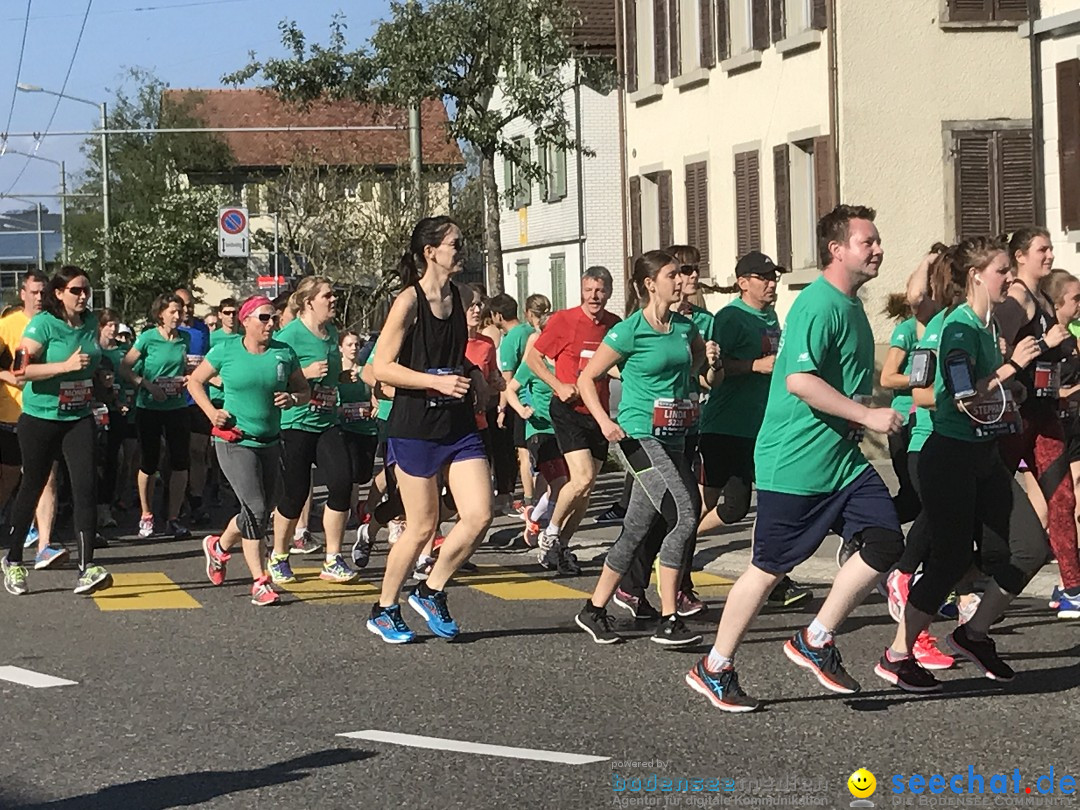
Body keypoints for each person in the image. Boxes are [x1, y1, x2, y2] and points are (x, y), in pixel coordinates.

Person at [685, 204, 904, 712]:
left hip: (841, 461)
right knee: (768, 568)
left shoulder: (850, 305)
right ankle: (714, 667)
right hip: (796, 461)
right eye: (867, 242)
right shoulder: (818, 306)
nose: (878, 249)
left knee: (885, 539)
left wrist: (865, 414)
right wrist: (868, 416)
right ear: (837, 250)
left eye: (877, 241)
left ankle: (816, 638)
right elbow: (798, 381)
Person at [878, 236, 1050, 691]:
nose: (1010, 278)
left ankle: (972, 635)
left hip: (984, 453)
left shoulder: (985, 323)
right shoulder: (957, 328)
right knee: (949, 559)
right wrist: (1011, 368)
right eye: (1001, 271)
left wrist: (1010, 396)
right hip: (948, 455)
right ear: (976, 275)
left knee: (1031, 547)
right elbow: (959, 394)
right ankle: (898, 655)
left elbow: (984, 394)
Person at [573, 250, 715, 646]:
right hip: (638, 435)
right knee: (684, 515)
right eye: (672, 274)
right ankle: (670, 618)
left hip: (677, 435)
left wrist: (709, 364)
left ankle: (594, 609)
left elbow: (700, 374)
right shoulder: (629, 330)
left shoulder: (686, 328)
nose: (679, 280)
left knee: (636, 527)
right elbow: (588, 378)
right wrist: (606, 422)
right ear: (651, 283)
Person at [368, 216, 493, 643]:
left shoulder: (459, 297)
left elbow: (453, 353)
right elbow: (378, 368)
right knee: (422, 526)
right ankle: (384, 608)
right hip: (416, 425)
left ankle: (431, 589)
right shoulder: (408, 301)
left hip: (457, 424)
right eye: (456, 244)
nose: (462, 249)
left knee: (479, 515)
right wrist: (434, 381)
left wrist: (473, 374)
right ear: (430, 252)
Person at [694, 251, 810, 609]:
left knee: (751, 505)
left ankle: (774, 577)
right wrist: (755, 365)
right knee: (710, 504)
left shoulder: (771, 316)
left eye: (774, 277)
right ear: (743, 282)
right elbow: (712, 367)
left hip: (762, 428)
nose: (772, 284)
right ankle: (674, 545)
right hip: (725, 425)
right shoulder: (730, 317)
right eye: (764, 278)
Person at [189, 295, 310, 606]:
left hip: (270, 441)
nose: (271, 324)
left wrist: (293, 399)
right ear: (246, 321)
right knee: (255, 508)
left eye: (273, 318)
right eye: (264, 318)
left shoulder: (284, 353)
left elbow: (303, 390)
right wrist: (211, 413)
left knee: (263, 506)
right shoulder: (226, 351)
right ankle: (260, 581)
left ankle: (219, 546)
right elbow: (195, 382)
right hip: (233, 440)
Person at [1, 266, 110, 596]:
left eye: (86, 290)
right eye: (75, 290)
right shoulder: (42, 325)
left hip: (77, 416)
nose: (82, 296)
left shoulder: (90, 323)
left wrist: (99, 377)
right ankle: (15, 560)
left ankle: (87, 568)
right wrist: (63, 367)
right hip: (40, 418)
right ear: (59, 293)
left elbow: (92, 360)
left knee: (85, 487)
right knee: (32, 485)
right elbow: (19, 372)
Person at [992, 227, 1080, 615]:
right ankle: (953, 575)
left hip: (1045, 415)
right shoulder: (1017, 299)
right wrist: (1043, 346)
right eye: (1042, 250)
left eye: (1049, 249)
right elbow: (997, 345)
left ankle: (1073, 588)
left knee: (1063, 499)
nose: (1049, 255)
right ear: (1021, 256)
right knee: (988, 494)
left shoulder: (1042, 297)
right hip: (1018, 414)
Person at [525, 267, 620, 573]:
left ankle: (562, 546)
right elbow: (533, 359)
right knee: (580, 479)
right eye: (590, 289)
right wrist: (558, 385)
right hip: (567, 409)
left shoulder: (614, 325)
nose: (595, 296)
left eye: (601, 290)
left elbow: (618, 364)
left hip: (598, 412)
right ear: (582, 290)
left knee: (588, 487)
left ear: (609, 291)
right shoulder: (564, 320)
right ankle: (550, 534)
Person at [268, 277, 358, 585]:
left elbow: (330, 377)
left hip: (327, 420)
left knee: (342, 482)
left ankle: (333, 558)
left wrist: (343, 378)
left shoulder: (331, 332)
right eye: (328, 296)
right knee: (294, 495)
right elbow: (274, 374)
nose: (334, 300)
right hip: (296, 421)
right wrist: (305, 373)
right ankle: (279, 555)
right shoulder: (289, 335)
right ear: (309, 302)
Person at [0, 271, 66, 569]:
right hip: (11, 414)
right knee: (12, 477)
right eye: (34, 292)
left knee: (45, 477)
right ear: (23, 294)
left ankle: (44, 545)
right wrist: (9, 377)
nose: (40, 298)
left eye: (44, 292)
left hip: (44, 413)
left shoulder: (56, 323)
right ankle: (10, 523)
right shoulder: (6, 326)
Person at [122, 294, 192, 540]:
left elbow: (188, 369)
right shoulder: (148, 338)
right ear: (160, 313)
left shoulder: (186, 338)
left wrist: (186, 379)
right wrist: (147, 385)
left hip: (177, 406)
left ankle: (173, 517)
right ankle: (146, 514)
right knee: (149, 462)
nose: (178, 316)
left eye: (180, 311)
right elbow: (125, 367)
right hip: (149, 407)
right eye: (173, 311)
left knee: (181, 462)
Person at [495, 293, 551, 518]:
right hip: (539, 402)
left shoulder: (522, 337)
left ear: (529, 313)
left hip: (528, 400)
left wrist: (502, 409)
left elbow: (510, 380)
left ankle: (530, 500)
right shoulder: (533, 332)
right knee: (545, 459)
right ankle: (539, 502)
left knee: (525, 454)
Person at [337, 329, 381, 569]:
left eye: (357, 344)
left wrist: (374, 404)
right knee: (352, 474)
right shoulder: (337, 373)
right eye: (349, 344)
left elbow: (375, 391)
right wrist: (342, 410)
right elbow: (332, 399)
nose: (354, 348)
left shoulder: (366, 369)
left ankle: (362, 506)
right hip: (346, 429)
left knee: (364, 473)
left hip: (368, 428)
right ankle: (354, 512)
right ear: (341, 348)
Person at [96, 308, 137, 530]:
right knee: (95, 461)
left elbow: (134, 376)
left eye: (115, 325)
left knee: (116, 458)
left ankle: (107, 506)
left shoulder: (124, 352)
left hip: (119, 411)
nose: (112, 329)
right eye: (108, 325)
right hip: (93, 410)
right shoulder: (92, 350)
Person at [175, 287, 213, 524]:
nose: (187, 310)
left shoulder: (202, 330)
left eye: (190, 305)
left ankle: (196, 499)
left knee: (198, 451)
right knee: (177, 453)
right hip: (175, 399)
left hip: (199, 399)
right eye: (182, 305)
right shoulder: (169, 330)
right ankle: (175, 501)